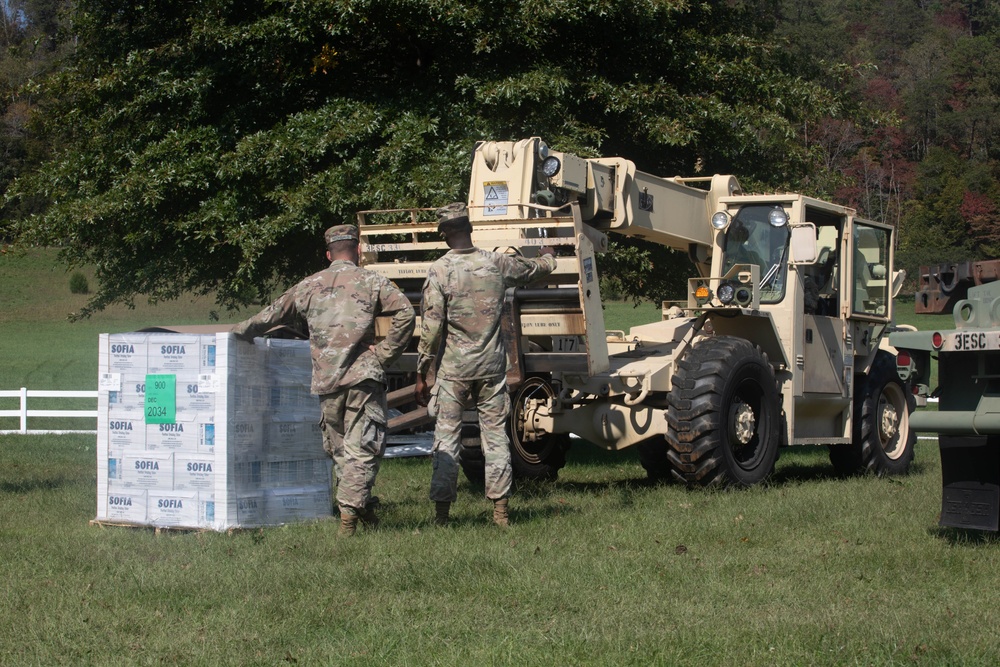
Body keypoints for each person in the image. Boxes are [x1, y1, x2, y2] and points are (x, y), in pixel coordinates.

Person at [232, 225, 415, 537]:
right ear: (358, 251)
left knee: (341, 448)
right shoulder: (372, 280)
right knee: (362, 448)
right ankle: (350, 517)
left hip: (327, 381)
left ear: (328, 254)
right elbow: (406, 314)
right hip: (362, 379)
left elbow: (273, 314)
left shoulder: (310, 285)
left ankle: (359, 507)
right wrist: (383, 355)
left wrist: (240, 331)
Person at [414, 202, 557, 527]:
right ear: (470, 229)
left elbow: (432, 326)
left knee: (446, 438)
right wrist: (549, 254)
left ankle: (442, 516)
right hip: (492, 369)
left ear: (445, 233)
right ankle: (501, 513)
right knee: (495, 438)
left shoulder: (440, 270)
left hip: (453, 372)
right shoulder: (496, 262)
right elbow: (534, 270)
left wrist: (422, 371)